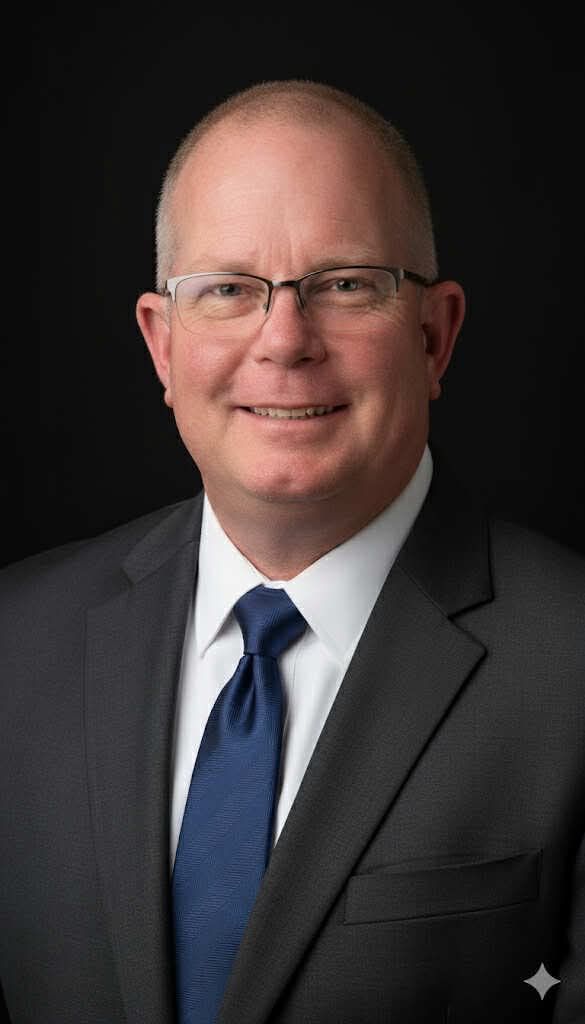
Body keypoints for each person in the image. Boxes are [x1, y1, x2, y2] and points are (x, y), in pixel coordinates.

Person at [1, 79, 583, 1024]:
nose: (284, 341)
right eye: (227, 290)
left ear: (434, 336)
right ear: (161, 345)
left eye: (345, 284)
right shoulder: (14, 644)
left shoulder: (572, 669)